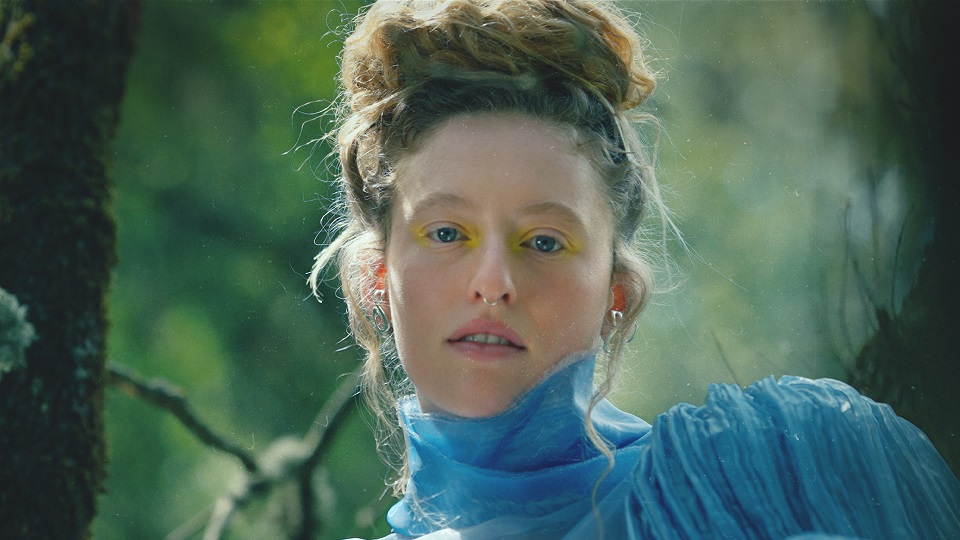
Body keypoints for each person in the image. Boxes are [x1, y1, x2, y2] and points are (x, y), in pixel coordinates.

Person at [308, 0, 960, 537]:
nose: (494, 283)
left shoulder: (783, 476)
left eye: (544, 242)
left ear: (614, 295)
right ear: (376, 282)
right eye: (448, 233)